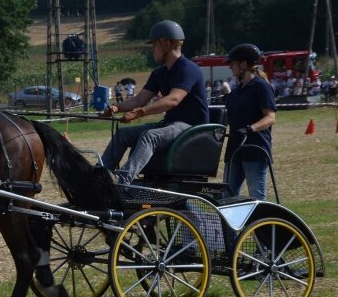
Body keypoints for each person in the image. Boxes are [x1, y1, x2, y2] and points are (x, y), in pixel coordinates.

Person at [100, 20, 208, 184]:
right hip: (171, 124)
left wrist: (140, 112)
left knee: (150, 136)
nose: (152, 50)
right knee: (122, 134)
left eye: (154, 45)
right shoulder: (160, 73)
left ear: (167, 43)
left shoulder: (188, 69)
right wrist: (116, 107)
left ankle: (122, 180)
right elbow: (139, 100)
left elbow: (173, 100)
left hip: (191, 127)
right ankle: (101, 176)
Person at [222, 43, 276, 200]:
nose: (230, 68)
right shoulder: (236, 92)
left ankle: (261, 224)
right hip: (234, 151)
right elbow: (226, 119)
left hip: (255, 150)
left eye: (232, 64)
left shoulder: (261, 87)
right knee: (226, 197)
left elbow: (270, 117)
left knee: (256, 198)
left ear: (243, 64)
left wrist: (250, 128)